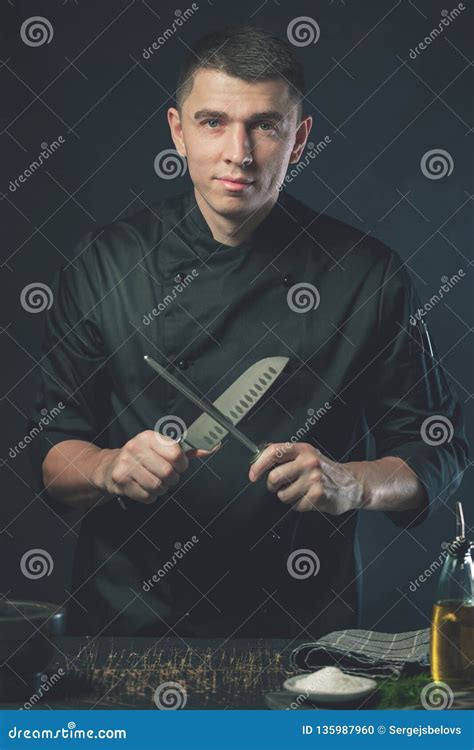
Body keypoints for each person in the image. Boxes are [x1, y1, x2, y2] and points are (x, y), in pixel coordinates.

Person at [28, 25, 468, 638]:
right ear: (178, 131)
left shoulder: (365, 274)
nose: (239, 152)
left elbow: (439, 448)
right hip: (123, 629)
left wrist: (353, 483)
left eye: (265, 125)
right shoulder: (105, 264)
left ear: (299, 137)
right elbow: (51, 453)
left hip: (303, 637)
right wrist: (108, 468)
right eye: (213, 122)